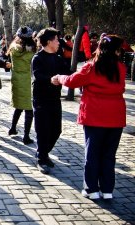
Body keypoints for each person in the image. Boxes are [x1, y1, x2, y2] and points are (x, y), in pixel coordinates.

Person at [51, 35, 126, 200]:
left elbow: (72, 81)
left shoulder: (91, 68)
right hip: (116, 117)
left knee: (92, 154)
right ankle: (107, 190)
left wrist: (59, 78)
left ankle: (91, 189)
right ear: (116, 51)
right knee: (108, 155)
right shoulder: (120, 68)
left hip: (94, 116)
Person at [31, 28, 71, 174]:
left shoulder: (58, 58)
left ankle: (42, 152)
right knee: (43, 130)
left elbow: (68, 73)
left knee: (56, 130)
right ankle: (42, 159)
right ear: (48, 42)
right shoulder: (38, 58)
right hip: (41, 100)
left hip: (55, 99)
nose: (58, 42)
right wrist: (50, 79)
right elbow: (38, 76)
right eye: (56, 39)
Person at [7, 26, 36, 145]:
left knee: (18, 106)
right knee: (29, 109)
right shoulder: (31, 53)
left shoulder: (13, 49)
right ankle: (26, 136)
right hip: (27, 81)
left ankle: (13, 128)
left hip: (16, 80)